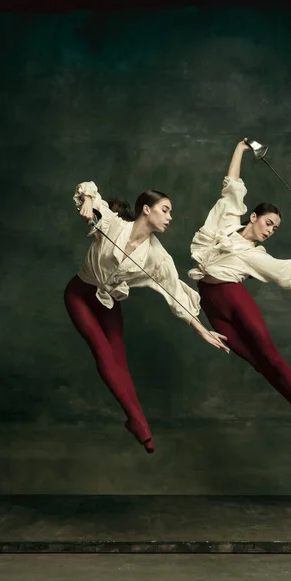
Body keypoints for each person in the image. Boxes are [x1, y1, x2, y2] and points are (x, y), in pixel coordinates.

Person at [188, 139, 291, 441]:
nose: (270, 230)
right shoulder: (227, 219)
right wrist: (241, 148)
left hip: (233, 298)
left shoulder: (257, 256)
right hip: (210, 303)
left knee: (272, 358)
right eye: (268, 222)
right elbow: (233, 184)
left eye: (275, 229)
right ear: (253, 216)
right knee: (257, 364)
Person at [64, 182, 228, 454]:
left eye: (170, 212)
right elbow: (88, 189)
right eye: (165, 210)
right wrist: (86, 202)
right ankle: (141, 426)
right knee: (104, 354)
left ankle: (135, 421)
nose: (170, 217)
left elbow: (174, 292)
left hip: (108, 303)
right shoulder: (114, 224)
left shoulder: (158, 257)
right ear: (146, 210)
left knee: (120, 364)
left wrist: (202, 330)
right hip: (79, 294)